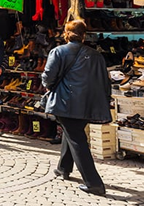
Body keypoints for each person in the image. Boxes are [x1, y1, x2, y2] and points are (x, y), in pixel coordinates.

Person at [42, 20, 111, 196]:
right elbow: (104, 80)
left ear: (66, 33)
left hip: (66, 102)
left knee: (76, 139)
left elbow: (48, 76)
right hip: (88, 103)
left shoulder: (58, 51)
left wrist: (48, 86)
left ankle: (94, 183)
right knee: (72, 133)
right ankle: (63, 168)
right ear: (84, 35)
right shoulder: (96, 55)